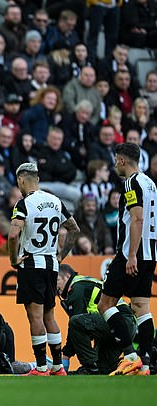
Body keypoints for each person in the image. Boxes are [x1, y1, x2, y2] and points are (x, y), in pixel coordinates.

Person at [8, 162, 80, 376]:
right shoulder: (56, 201)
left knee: (35, 317)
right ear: (37, 179)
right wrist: (61, 255)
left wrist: (13, 259)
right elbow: (74, 228)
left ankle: (40, 367)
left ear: (21, 179)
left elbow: (13, 235)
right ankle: (57, 366)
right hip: (52, 265)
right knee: (50, 316)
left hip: (31, 264)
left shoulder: (24, 204)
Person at [98, 143, 156, 376]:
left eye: (115, 161)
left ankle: (130, 356)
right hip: (150, 252)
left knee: (105, 303)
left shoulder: (131, 183)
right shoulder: (151, 183)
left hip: (131, 253)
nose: (114, 165)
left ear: (122, 161)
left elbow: (137, 219)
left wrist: (131, 255)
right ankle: (145, 362)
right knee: (141, 306)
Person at [57, 264, 135, 375]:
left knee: (76, 322)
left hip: (119, 323)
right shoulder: (85, 283)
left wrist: (66, 356)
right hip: (124, 327)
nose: (55, 285)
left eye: (57, 280)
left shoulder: (76, 288)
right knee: (103, 370)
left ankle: (89, 366)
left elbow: (76, 324)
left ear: (67, 276)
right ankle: (140, 359)